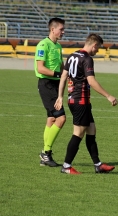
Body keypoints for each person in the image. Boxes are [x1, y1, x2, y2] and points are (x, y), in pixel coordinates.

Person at [54, 33, 118, 174]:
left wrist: (60, 96)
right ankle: (66, 166)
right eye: (98, 48)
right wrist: (108, 95)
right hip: (80, 101)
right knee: (78, 133)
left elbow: (64, 77)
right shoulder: (87, 59)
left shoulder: (71, 56)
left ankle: (98, 165)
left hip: (76, 100)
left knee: (91, 130)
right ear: (94, 45)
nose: (98, 51)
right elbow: (91, 81)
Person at [34, 17, 66, 167]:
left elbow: (61, 66)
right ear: (53, 29)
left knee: (52, 120)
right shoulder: (43, 44)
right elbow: (40, 68)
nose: (63, 32)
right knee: (61, 119)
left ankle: (45, 156)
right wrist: (59, 75)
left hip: (55, 84)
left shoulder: (58, 46)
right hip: (46, 84)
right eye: (61, 29)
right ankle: (46, 153)